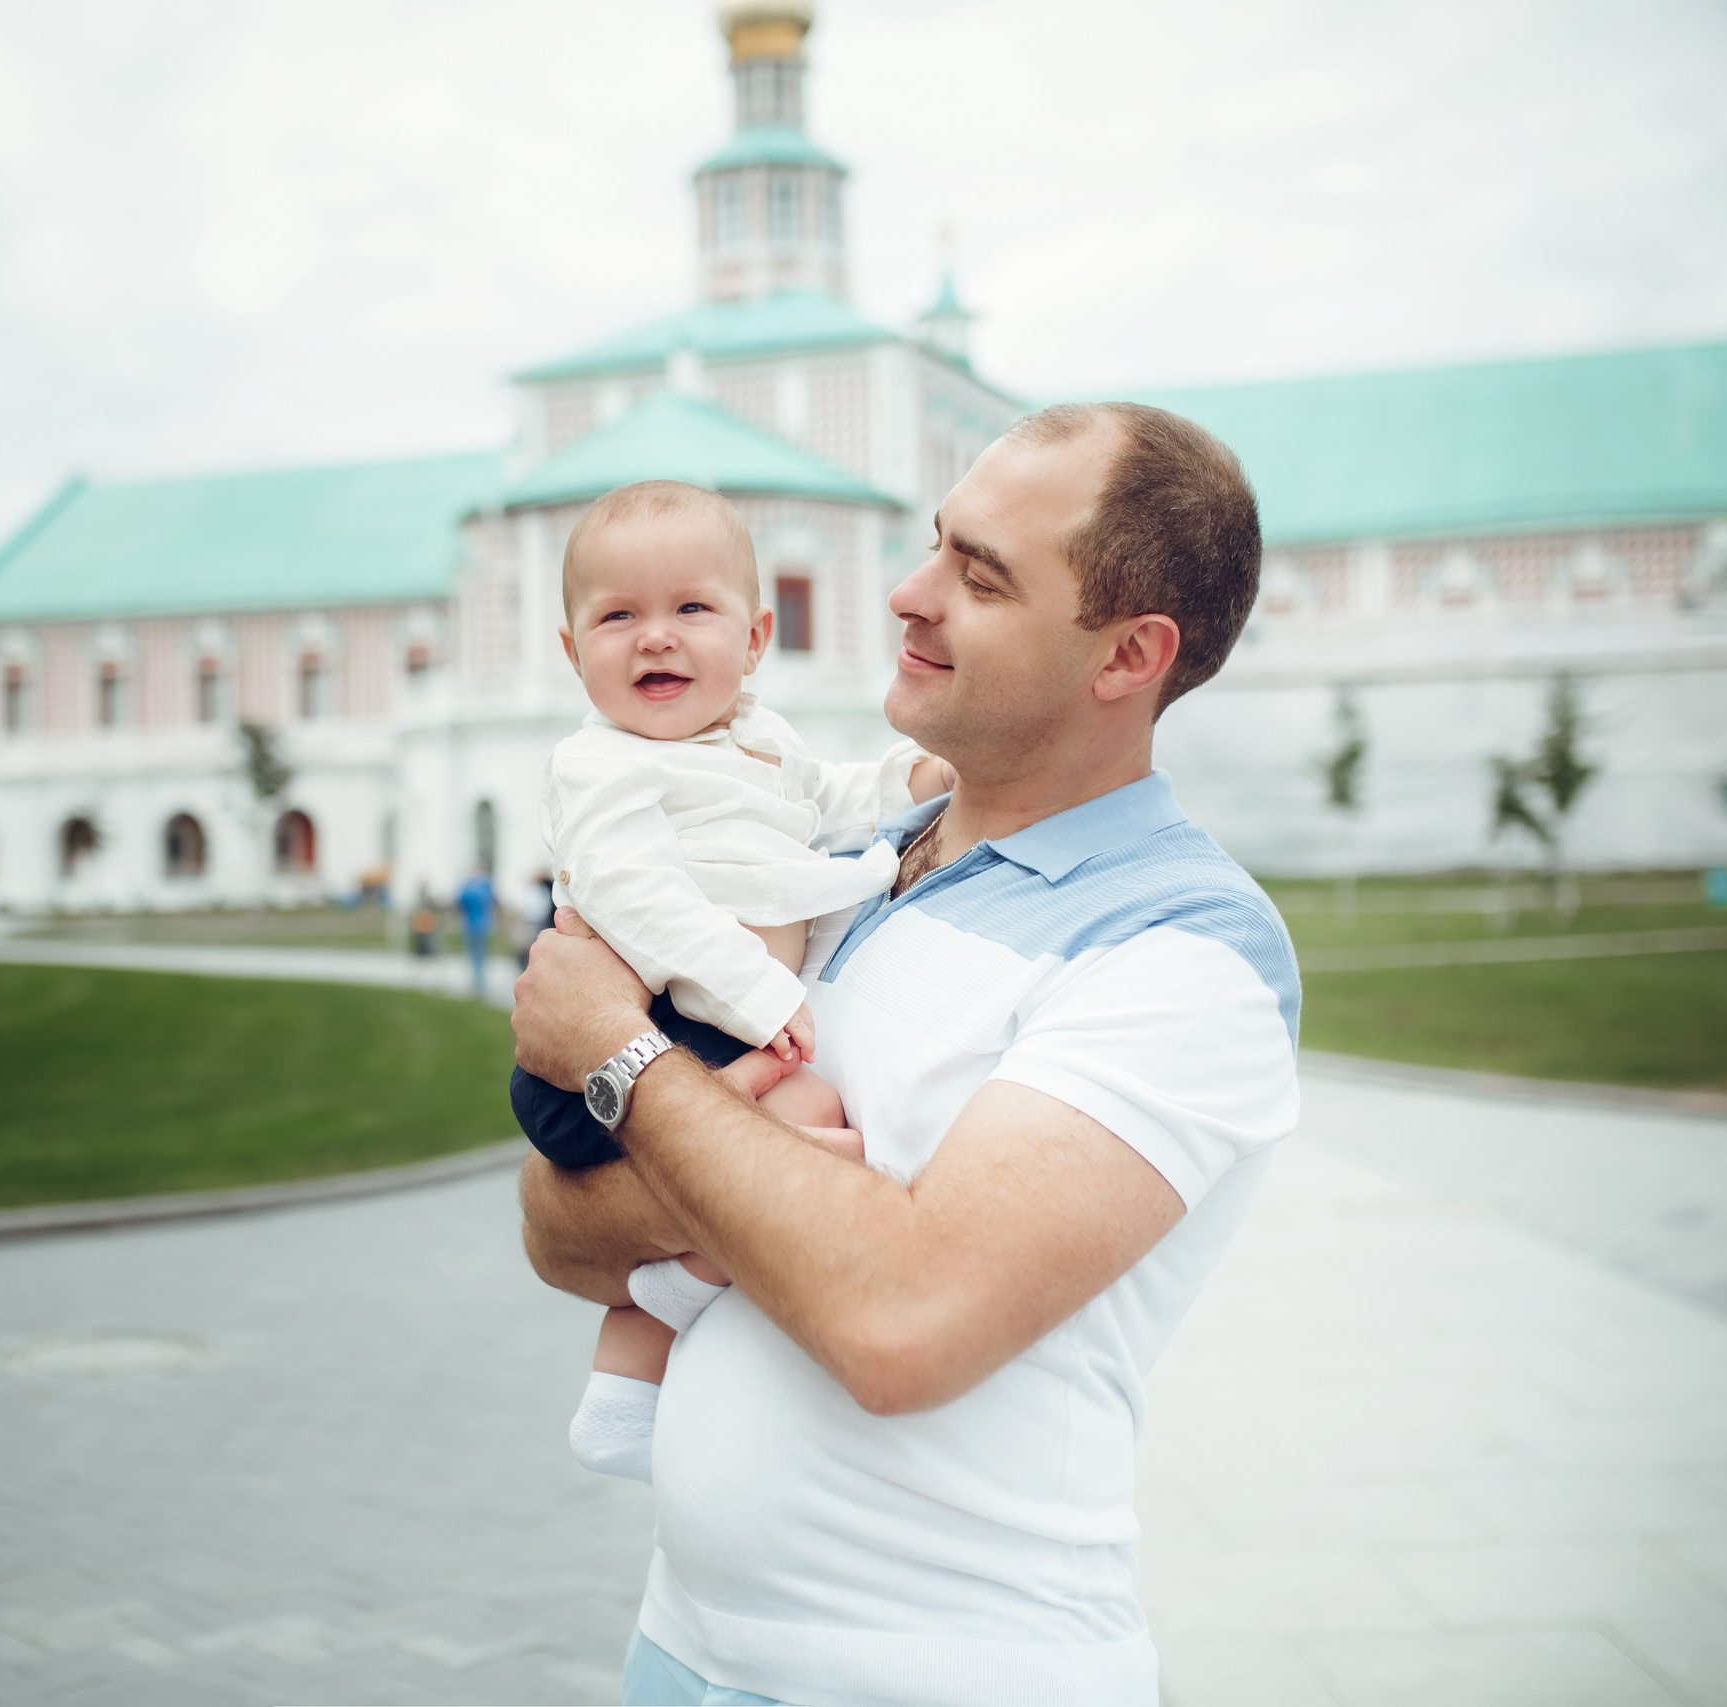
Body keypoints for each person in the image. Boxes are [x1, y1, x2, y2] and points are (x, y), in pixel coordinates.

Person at [513, 403, 1298, 1707]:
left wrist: (622, 1054)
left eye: (978, 577)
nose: (906, 592)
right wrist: (704, 1141)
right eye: (936, 543)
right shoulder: (840, 863)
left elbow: (899, 1323)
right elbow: (556, 1228)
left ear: (1128, 654)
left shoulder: (1184, 946)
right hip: (680, 1651)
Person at [514, 479, 954, 1485]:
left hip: (698, 1030)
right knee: (809, 1125)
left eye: (690, 608)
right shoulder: (600, 764)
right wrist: (761, 995)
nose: (655, 637)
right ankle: (648, 1342)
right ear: (574, 652)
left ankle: (630, 1375)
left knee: (801, 1136)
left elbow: (828, 799)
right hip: (646, 1032)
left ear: (754, 639)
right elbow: (635, 897)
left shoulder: (760, 739)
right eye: (617, 617)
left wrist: (911, 782)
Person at [456, 866, 498, 997]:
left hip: (472, 925)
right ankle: (479, 982)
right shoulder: (486, 887)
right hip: (483, 925)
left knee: (474, 954)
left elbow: (459, 902)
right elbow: (494, 902)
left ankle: (477, 982)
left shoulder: (469, 888)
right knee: (480, 955)